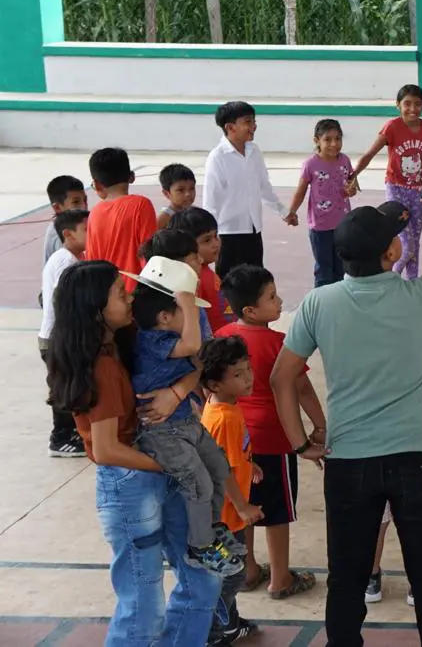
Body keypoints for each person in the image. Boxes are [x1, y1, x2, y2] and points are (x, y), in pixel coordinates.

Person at [272, 191, 422, 646]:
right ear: (392, 253)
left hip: (348, 461)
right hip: (419, 459)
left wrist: (300, 443)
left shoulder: (319, 303)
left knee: (347, 578)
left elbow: (283, 378)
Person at [47, 260, 222, 644]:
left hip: (156, 470)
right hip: (132, 484)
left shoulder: (128, 339)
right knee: (143, 608)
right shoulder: (103, 367)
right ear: (96, 308)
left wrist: (176, 392)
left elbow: (196, 362)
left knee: (203, 578)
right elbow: (108, 450)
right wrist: (172, 466)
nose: (130, 298)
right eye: (119, 293)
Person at [126, 257, 242, 576]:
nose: (196, 316)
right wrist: (189, 303)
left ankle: (211, 528)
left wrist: (186, 306)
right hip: (163, 432)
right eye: (188, 312)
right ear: (165, 316)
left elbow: (198, 356)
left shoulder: (164, 336)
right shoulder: (153, 340)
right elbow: (194, 344)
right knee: (198, 483)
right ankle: (200, 545)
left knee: (218, 467)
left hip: (185, 423)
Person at [216, 264, 324, 600]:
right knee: (276, 512)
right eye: (272, 297)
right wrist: (320, 425)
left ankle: (248, 570)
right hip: (273, 439)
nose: (279, 301)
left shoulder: (221, 337)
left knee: (244, 506)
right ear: (250, 309)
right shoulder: (280, 342)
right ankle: (280, 578)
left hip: (236, 439)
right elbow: (302, 389)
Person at [199, 336, 265, 647]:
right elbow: (220, 470)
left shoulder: (222, 406)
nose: (248, 378)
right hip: (223, 518)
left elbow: (230, 457)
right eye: (237, 374)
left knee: (231, 570)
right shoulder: (224, 418)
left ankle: (230, 622)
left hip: (224, 515)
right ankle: (218, 629)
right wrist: (241, 507)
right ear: (214, 383)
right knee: (231, 574)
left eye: (248, 369)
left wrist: (249, 466)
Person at [351, 85, 422, 281]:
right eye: (407, 104)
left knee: (414, 244)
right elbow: (369, 153)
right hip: (396, 189)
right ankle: (388, 279)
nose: (412, 109)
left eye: (418, 104)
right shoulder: (392, 127)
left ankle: (412, 285)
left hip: (419, 192)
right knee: (406, 245)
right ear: (397, 105)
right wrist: (353, 174)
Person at [203, 101, 291, 277]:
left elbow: (264, 186)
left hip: (253, 230)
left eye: (254, 121)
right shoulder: (218, 157)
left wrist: (283, 211)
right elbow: (212, 201)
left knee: (255, 280)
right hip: (228, 234)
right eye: (248, 122)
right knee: (229, 282)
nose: (254, 126)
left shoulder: (254, 151)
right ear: (230, 127)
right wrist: (209, 236)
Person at [40, 209, 90, 458]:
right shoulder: (65, 263)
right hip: (57, 337)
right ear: (68, 234)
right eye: (87, 230)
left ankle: (71, 433)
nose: (92, 234)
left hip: (62, 335)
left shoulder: (71, 259)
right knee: (62, 387)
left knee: (70, 383)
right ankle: (60, 439)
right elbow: (64, 304)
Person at [286, 118, 354, 287]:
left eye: (338, 139)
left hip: (342, 225)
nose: (334, 144)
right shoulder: (311, 164)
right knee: (324, 269)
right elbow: (300, 191)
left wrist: (350, 190)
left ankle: (338, 301)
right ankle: (321, 303)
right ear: (317, 141)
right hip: (321, 227)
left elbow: (350, 184)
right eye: (328, 139)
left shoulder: (344, 160)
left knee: (341, 268)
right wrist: (291, 212)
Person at [84, 147, 158, 282]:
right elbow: (150, 256)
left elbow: (91, 261)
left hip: (107, 294)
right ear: (131, 176)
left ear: (97, 184)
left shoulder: (94, 213)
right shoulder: (141, 205)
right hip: (136, 293)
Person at [171, 207, 232, 334]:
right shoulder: (193, 279)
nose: (216, 244)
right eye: (207, 240)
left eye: (216, 236)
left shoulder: (206, 271)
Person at [42, 174, 88, 265]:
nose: (84, 206)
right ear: (57, 207)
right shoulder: (58, 236)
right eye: (76, 202)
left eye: (85, 200)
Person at [158, 163, 197, 230]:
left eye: (192, 188)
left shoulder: (195, 212)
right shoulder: (164, 218)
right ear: (166, 193)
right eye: (181, 190)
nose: (188, 194)